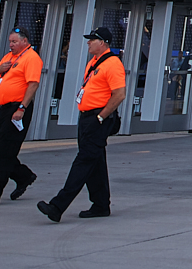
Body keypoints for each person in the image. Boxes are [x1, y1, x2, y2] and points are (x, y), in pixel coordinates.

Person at [37, 26, 127, 221]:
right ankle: (101, 204)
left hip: (98, 119)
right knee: (95, 162)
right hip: (87, 118)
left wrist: (101, 117)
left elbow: (119, 94)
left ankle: (57, 206)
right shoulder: (94, 63)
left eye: (92, 39)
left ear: (102, 43)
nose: (88, 42)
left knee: (84, 161)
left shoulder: (112, 64)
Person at [0, 27, 42, 206]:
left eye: (14, 41)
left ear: (25, 41)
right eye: (10, 41)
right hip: (3, 108)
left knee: (5, 152)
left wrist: (22, 108)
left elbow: (33, 84)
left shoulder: (31, 58)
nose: (11, 45)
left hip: (17, 107)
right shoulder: (8, 58)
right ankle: (23, 176)